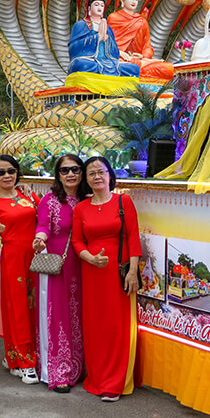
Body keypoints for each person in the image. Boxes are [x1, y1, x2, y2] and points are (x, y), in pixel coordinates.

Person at [71, 156, 141, 402]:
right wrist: (89, 258)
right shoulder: (81, 208)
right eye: (91, 173)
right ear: (86, 180)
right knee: (95, 326)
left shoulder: (124, 201)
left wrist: (132, 272)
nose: (97, 177)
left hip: (118, 273)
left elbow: (133, 237)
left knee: (117, 327)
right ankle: (98, 378)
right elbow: (77, 241)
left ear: (110, 175)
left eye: (101, 172)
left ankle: (116, 382)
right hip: (92, 272)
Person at [0, 154, 40, 385]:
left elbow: (43, 218)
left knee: (34, 308)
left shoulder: (27, 195)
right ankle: (25, 363)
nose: (7, 176)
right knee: (17, 311)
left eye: (11, 171)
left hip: (37, 257)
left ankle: (15, 356)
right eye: (1, 172)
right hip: (13, 258)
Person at [33, 154, 85, 392]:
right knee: (58, 317)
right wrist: (40, 239)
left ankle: (80, 367)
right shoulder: (50, 200)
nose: (70, 174)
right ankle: (58, 370)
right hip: (58, 265)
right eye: (65, 171)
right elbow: (43, 226)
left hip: (84, 266)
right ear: (58, 175)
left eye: (75, 169)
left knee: (79, 316)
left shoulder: (88, 199)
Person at [67, 0, 141, 78]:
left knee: (134, 68)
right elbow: (73, 48)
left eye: (102, 5)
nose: (99, 8)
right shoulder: (81, 25)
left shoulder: (108, 28)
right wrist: (97, 37)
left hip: (108, 61)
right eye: (96, 5)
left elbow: (114, 52)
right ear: (89, 7)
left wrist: (107, 39)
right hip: (91, 62)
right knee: (81, 65)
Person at [106, 0, 174, 81]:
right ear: (122, 0)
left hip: (138, 61)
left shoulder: (142, 21)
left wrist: (142, 55)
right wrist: (119, 52)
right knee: (121, 66)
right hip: (120, 60)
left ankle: (142, 67)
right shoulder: (113, 18)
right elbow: (107, 43)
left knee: (168, 68)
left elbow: (148, 47)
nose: (134, 1)